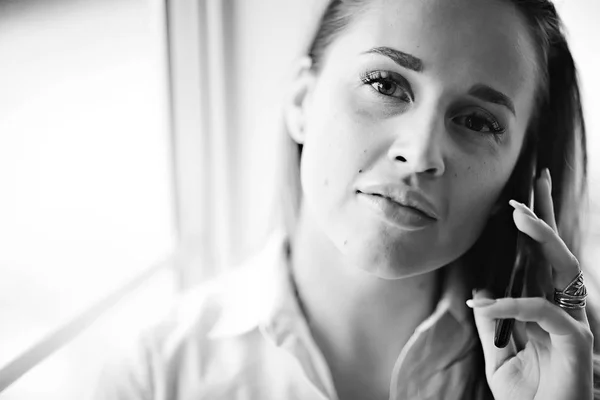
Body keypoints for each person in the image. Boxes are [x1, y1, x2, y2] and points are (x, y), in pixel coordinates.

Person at [92, 0, 598, 399]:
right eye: (386, 84)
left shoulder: (571, 374)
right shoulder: (152, 377)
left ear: (517, 178)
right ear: (301, 102)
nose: (421, 154)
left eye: (477, 121)